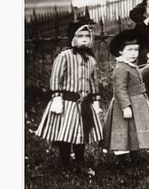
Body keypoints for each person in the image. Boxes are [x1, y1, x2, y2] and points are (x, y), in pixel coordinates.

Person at [35, 18, 103, 172]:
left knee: (81, 133)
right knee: (65, 133)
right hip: (67, 102)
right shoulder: (65, 56)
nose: (84, 39)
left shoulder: (90, 59)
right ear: (73, 38)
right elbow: (55, 77)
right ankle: (64, 161)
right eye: (80, 36)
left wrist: (95, 100)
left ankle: (80, 160)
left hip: (84, 103)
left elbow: (93, 81)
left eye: (87, 36)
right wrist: (57, 97)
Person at [101, 28, 149, 165]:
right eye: (129, 50)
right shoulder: (120, 68)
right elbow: (119, 89)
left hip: (138, 103)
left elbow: (136, 77)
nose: (133, 54)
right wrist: (126, 107)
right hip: (126, 105)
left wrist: (148, 68)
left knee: (134, 130)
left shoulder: (130, 66)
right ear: (120, 51)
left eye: (136, 50)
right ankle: (122, 161)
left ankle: (135, 156)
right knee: (123, 131)